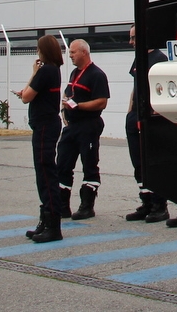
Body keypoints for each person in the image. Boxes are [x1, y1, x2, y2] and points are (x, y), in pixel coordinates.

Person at [56, 39, 110, 221]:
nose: (70, 55)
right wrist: (65, 108)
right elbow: (68, 93)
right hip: (71, 126)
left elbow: (102, 101)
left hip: (88, 125)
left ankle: (87, 206)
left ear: (84, 52)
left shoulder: (96, 75)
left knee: (89, 164)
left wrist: (78, 106)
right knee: (62, 164)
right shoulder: (74, 73)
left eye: (72, 52)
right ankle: (62, 205)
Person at [16, 35, 63, 242]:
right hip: (45, 124)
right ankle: (45, 219)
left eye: (38, 49)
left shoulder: (46, 71)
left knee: (45, 173)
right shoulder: (52, 70)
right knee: (42, 172)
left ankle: (53, 224)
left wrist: (33, 73)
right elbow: (30, 93)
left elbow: (27, 96)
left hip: (45, 125)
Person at [124, 40, 171, 225]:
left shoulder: (159, 59)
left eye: (135, 37)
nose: (131, 42)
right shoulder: (139, 59)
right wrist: (129, 112)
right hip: (134, 116)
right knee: (138, 164)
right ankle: (146, 203)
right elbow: (135, 87)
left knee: (152, 162)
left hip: (150, 118)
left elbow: (162, 87)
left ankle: (160, 206)